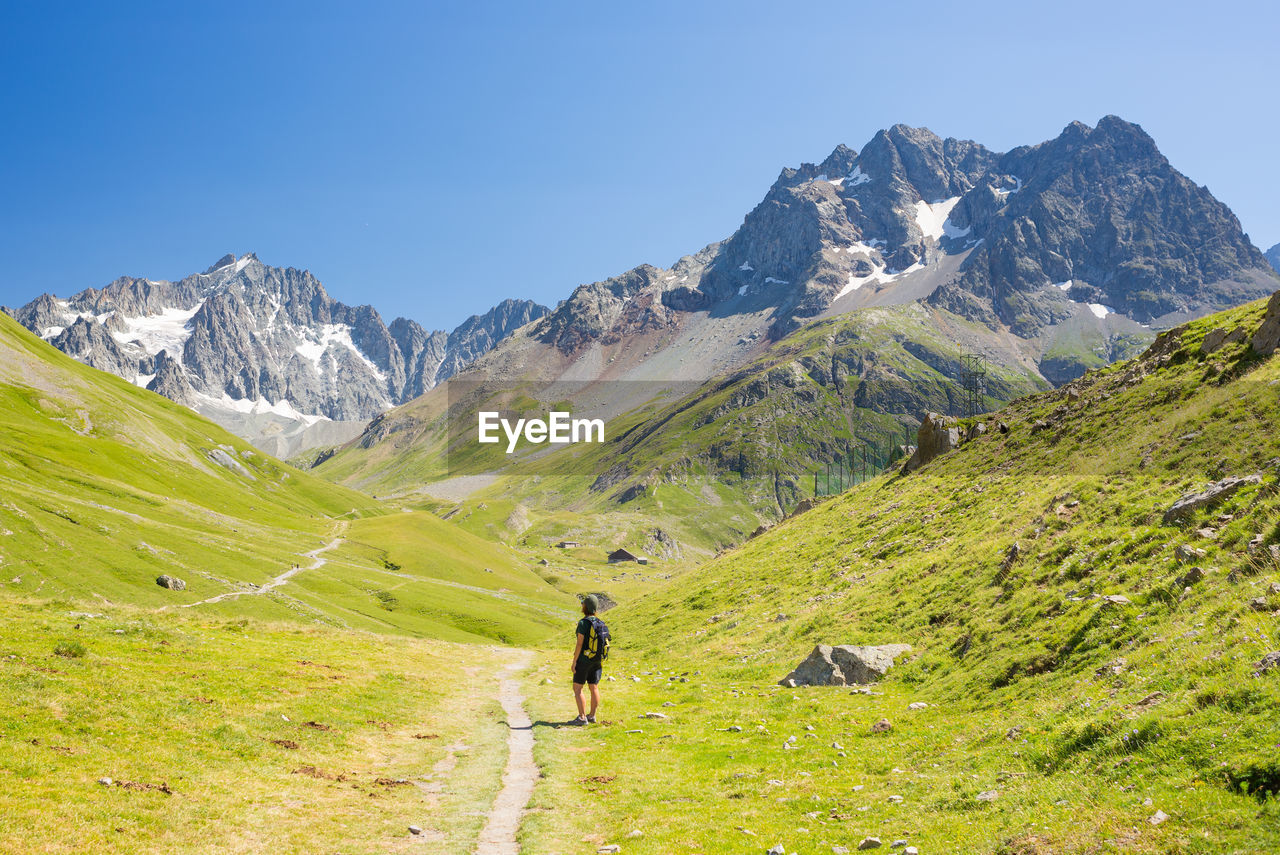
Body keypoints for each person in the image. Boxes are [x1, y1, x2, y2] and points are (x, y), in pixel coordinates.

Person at [570, 595, 604, 724]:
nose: (581, 605)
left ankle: (582, 717)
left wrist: (574, 662)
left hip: (584, 660)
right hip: (596, 660)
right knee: (593, 687)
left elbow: (579, 644)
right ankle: (592, 716)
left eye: (583, 603)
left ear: (586, 606)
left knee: (578, 688)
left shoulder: (583, 622)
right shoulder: (599, 622)